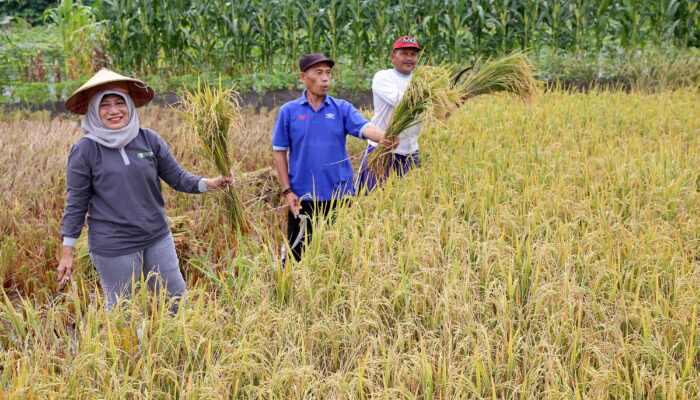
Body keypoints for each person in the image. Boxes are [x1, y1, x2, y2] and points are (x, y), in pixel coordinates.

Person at [57, 68, 231, 313]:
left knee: (176, 300)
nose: (114, 110)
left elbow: (177, 177)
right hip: (114, 244)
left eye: (120, 103)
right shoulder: (86, 150)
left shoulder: (148, 140)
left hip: (157, 236)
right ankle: (126, 351)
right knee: (122, 311)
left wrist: (208, 183)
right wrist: (68, 252)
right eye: (104, 105)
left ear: (130, 105)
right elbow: (76, 203)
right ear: (94, 110)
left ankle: (179, 349)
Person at [272, 54, 389, 262]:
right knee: (295, 256)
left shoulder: (341, 108)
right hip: (302, 198)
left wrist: (384, 137)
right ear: (303, 77)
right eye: (319, 73)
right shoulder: (289, 111)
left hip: (339, 197)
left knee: (338, 257)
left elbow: (365, 127)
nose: (325, 78)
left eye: (328, 73)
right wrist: (287, 191)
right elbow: (279, 153)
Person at [356, 35, 423, 194]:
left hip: (410, 150)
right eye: (404, 54)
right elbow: (403, 102)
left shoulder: (421, 82)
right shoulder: (383, 77)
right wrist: (430, 96)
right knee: (371, 198)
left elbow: (436, 113)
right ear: (393, 57)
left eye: (413, 54)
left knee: (404, 201)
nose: (409, 58)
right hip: (383, 147)